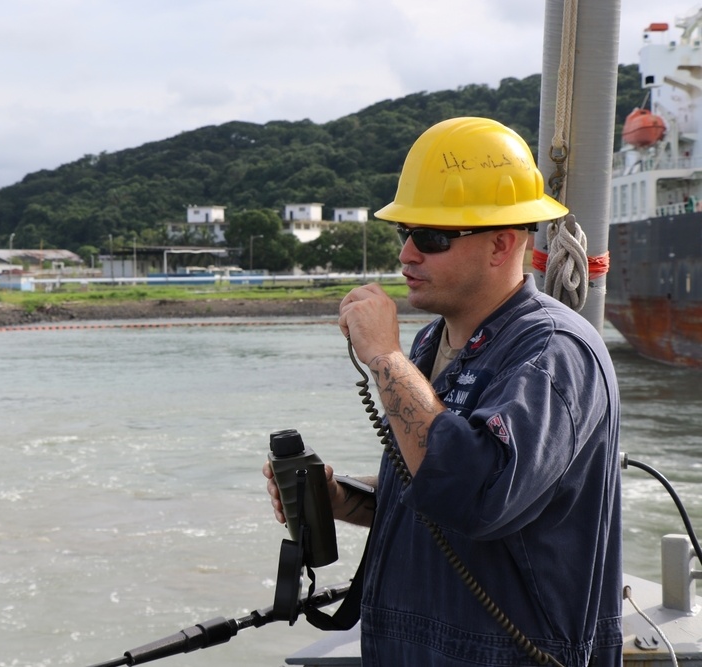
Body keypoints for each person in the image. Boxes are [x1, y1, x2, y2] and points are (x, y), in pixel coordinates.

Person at [263, 117, 623, 665]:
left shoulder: (554, 353)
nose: (407, 255)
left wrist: (385, 358)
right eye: (404, 233)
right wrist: (341, 500)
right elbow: (425, 479)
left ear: (502, 244)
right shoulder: (436, 341)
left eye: (431, 238)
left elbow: (477, 495)